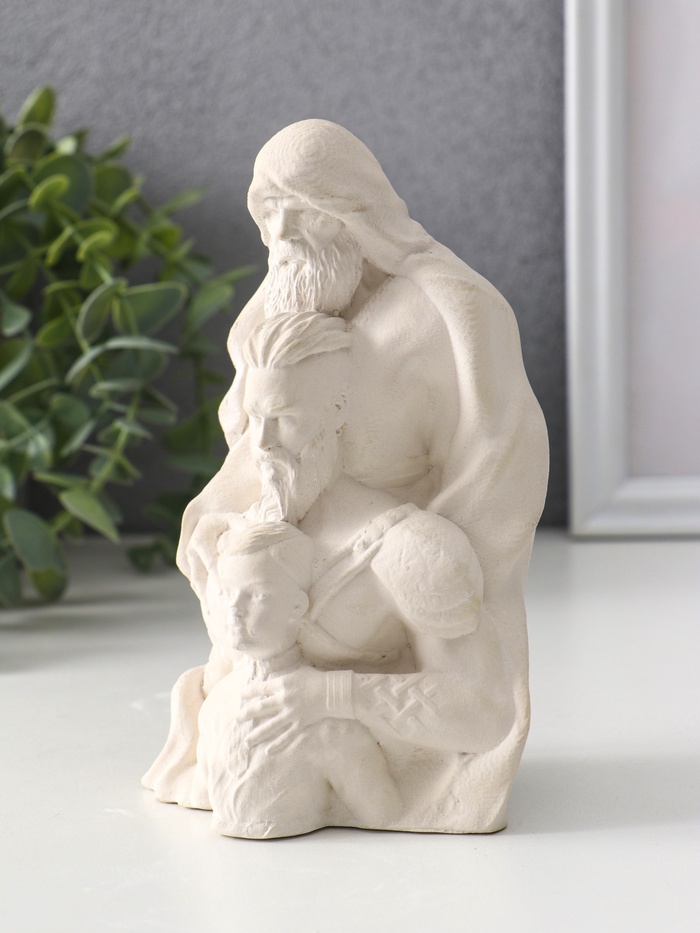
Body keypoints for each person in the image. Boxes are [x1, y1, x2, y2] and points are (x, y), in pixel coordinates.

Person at [163, 121, 548, 832]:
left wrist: (442, 550)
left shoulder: (447, 315)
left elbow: (494, 447)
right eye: (267, 214)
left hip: (386, 555)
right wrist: (226, 527)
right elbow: (252, 448)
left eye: (300, 212)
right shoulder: (275, 309)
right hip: (286, 536)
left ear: (351, 210)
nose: (281, 234)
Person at [191, 520, 402, 838]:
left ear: (297, 605)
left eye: (257, 595)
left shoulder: (325, 719)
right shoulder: (217, 703)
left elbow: (382, 812)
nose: (235, 608)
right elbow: (202, 791)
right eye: (228, 592)